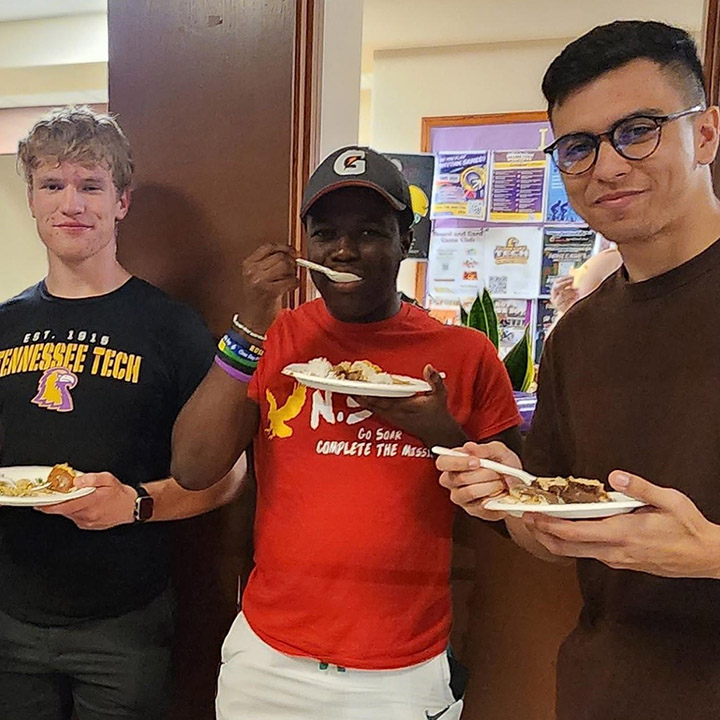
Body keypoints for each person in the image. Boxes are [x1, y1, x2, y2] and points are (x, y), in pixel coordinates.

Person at [171, 146, 522, 719]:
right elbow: (192, 467)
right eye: (326, 232)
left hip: (401, 674)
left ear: (405, 242)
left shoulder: (464, 353)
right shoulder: (279, 337)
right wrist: (253, 319)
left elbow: (515, 513)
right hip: (267, 661)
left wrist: (444, 435)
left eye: (370, 232)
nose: (345, 250)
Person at [436, 20, 720, 720]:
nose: (609, 166)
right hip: (606, 688)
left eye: (639, 129)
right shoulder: (581, 333)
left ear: (706, 133)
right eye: (578, 146)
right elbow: (557, 542)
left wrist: (710, 554)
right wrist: (513, 498)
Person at [0, 106, 245, 720]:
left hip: (124, 624)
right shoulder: (5, 324)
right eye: (52, 185)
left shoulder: (171, 326)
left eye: (90, 186)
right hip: (8, 617)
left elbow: (229, 475)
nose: (71, 204)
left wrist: (135, 503)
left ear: (121, 203)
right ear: (30, 199)